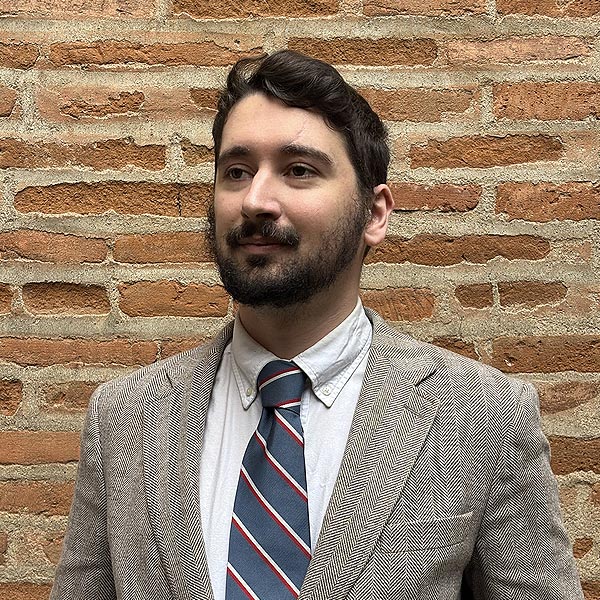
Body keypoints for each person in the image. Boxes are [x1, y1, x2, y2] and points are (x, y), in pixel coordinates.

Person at [50, 50, 584, 600]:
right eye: (236, 172)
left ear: (374, 213)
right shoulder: (123, 421)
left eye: (298, 170)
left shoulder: (485, 416)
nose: (255, 200)